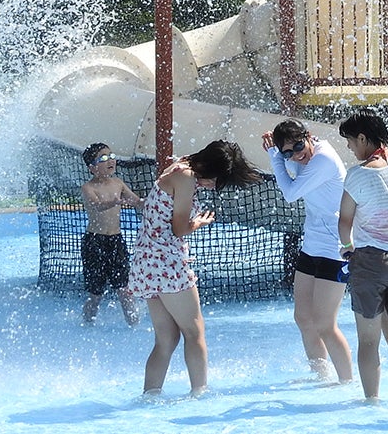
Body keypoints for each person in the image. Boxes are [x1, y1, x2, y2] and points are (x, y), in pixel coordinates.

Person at [127, 139, 262, 396]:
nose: (213, 186)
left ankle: (150, 396)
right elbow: (178, 229)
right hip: (166, 262)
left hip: (146, 262)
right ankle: (200, 394)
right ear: (208, 167)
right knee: (194, 330)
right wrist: (198, 222)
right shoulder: (187, 178)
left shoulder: (182, 165)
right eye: (215, 180)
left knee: (167, 339)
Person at [262, 119, 354, 382]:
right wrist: (280, 153)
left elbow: (290, 193)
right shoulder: (300, 158)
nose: (296, 155)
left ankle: (347, 382)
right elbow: (290, 166)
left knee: (325, 323)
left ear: (309, 136)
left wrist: (275, 157)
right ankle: (321, 378)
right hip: (312, 245)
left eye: (299, 146)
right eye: (288, 152)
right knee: (303, 317)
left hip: (336, 248)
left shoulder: (323, 160)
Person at [336, 110, 388, 401]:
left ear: (362, 137)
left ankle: (372, 402)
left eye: (350, 141)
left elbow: (344, 221)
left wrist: (346, 247)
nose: (349, 148)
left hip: (370, 261)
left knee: (368, 340)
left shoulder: (356, 176)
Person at [79, 142, 143, 325]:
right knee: (96, 293)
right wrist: (113, 202)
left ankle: (134, 326)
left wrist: (156, 201)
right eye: (104, 158)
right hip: (94, 242)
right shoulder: (88, 188)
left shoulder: (118, 183)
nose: (110, 161)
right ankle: (87, 325)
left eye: (112, 156)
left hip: (116, 241)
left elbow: (137, 202)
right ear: (92, 167)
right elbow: (96, 206)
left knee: (124, 289)